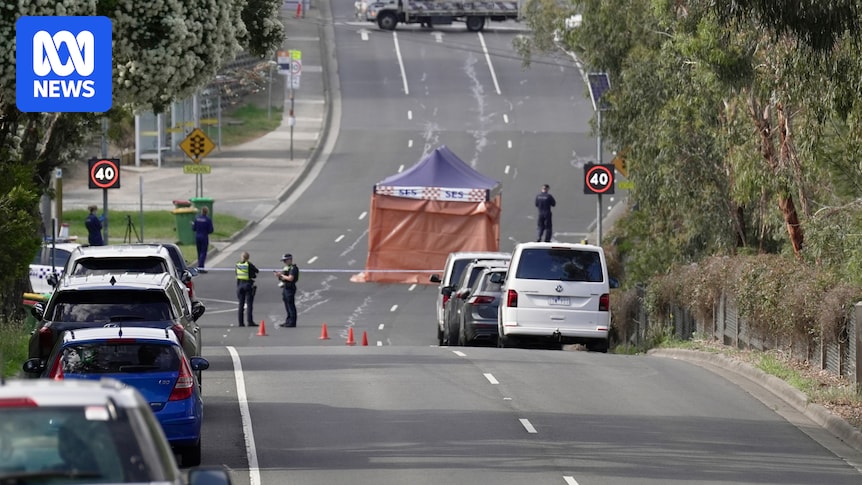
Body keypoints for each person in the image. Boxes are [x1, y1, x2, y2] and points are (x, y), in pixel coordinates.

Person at [274, 253, 299, 327]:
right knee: (287, 305)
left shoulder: (293, 268)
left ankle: (292, 322)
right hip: (285, 287)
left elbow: (290, 278)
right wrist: (279, 276)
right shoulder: (286, 268)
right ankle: (288, 320)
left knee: (291, 305)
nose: (284, 262)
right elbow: (284, 278)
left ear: (290, 260)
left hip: (290, 288)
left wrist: (281, 275)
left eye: (285, 260)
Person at [235, 251, 259, 327]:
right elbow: (256, 271)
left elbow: (236, 274)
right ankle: (250, 321)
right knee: (249, 304)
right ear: (248, 258)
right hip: (248, 285)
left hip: (240, 285)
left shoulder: (237, 265)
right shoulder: (249, 264)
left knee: (241, 305)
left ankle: (241, 322)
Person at [191, 206, 214, 271]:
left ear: (201, 211)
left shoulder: (197, 218)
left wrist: (193, 225)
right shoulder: (208, 220)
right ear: (207, 212)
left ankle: (199, 265)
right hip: (204, 237)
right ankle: (201, 267)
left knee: (199, 251)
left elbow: (194, 228)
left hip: (197, 236)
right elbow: (211, 230)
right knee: (203, 252)